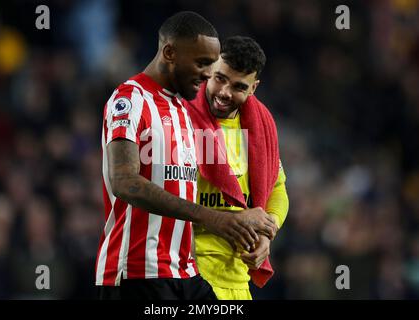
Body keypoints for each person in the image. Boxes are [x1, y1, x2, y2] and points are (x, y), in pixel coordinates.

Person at [95, 12, 277, 300]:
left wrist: (255, 223)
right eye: (202, 63)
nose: (207, 74)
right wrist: (214, 219)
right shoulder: (130, 100)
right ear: (169, 52)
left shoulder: (182, 110)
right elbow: (123, 181)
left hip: (184, 272)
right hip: (137, 273)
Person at [184, 36, 289, 300]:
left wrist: (267, 231)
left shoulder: (261, 125)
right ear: (208, 70)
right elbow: (159, 197)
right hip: (187, 273)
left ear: (253, 88)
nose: (225, 93)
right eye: (220, 78)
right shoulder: (178, 117)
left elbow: (277, 188)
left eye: (239, 86)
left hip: (238, 281)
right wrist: (227, 220)